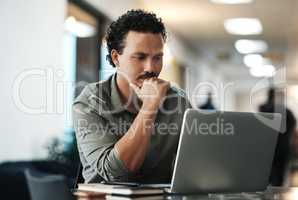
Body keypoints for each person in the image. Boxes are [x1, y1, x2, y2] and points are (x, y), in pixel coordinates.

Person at [72, 10, 192, 183]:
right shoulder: (90, 102)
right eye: (140, 57)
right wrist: (150, 106)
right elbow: (116, 173)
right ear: (116, 58)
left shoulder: (178, 101)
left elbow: (199, 163)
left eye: (157, 57)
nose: (151, 67)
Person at [259, 87, 297, 186]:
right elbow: (292, 127)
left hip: (269, 146)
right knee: (278, 176)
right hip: (282, 146)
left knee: (268, 175)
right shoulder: (286, 111)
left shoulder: (263, 108)